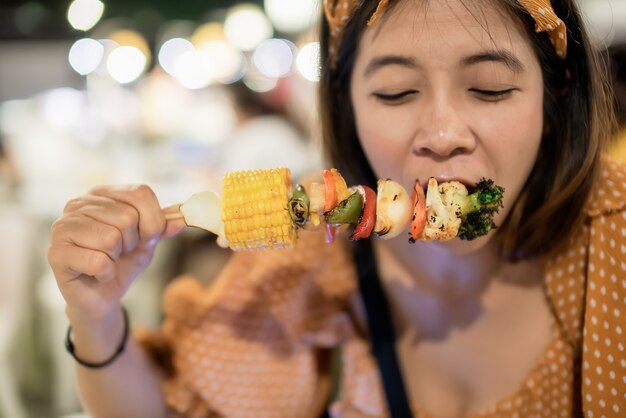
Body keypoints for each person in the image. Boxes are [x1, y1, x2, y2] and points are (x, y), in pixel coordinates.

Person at [47, 0, 626, 417]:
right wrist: (96, 315)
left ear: (558, 92)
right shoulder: (302, 273)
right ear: (345, 105)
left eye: (491, 87)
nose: (444, 133)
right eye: (396, 92)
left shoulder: (616, 237)